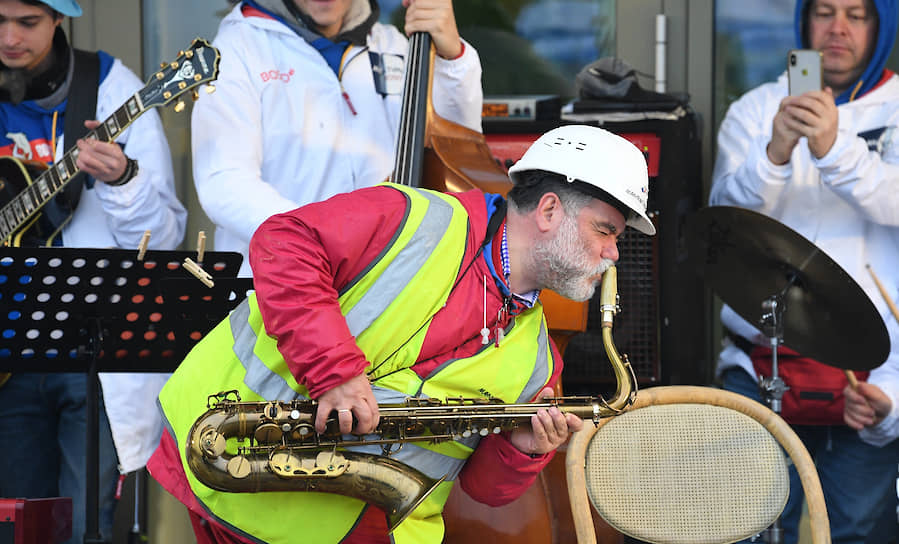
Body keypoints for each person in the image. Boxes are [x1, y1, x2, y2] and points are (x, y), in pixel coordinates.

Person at [146, 124, 656, 544]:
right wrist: (335, 374)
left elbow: (481, 488)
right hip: (224, 459)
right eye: (606, 230)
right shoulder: (411, 216)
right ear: (549, 211)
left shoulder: (543, 363)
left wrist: (522, 449)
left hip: (352, 525)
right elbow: (284, 241)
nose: (613, 253)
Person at [710, 0, 899, 542]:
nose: (838, 28)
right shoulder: (757, 108)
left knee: (855, 530)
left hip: (875, 375)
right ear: (802, 22)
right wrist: (775, 151)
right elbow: (724, 223)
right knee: (747, 526)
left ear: (881, 26)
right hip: (760, 363)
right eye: (824, 11)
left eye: (857, 14)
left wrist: (832, 149)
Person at [0, 0, 187, 542]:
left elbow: (163, 238)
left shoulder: (109, 86)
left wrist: (125, 177)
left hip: (89, 353)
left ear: (59, 19)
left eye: (27, 22)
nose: (9, 36)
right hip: (9, 355)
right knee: (15, 525)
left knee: (87, 528)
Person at [191, 0, 483, 277]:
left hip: (385, 282)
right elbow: (224, 182)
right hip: (281, 286)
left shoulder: (392, 43)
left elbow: (458, 147)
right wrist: (323, 234)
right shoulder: (236, 48)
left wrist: (452, 58)